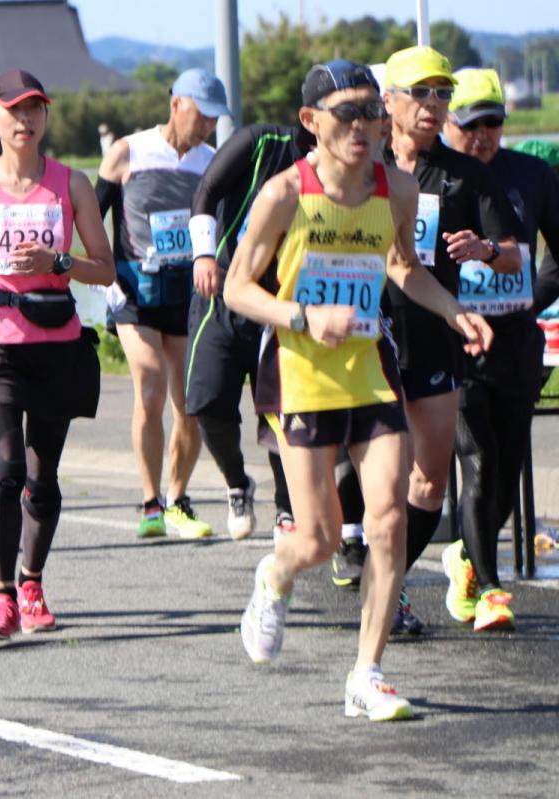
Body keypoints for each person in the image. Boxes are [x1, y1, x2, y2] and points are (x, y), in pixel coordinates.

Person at [223, 60, 492, 720]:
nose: (364, 125)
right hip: (300, 370)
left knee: (390, 518)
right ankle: (275, 575)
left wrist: (454, 310)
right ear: (312, 122)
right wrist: (305, 316)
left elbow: (403, 266)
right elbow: (237, 287)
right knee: (317, 537)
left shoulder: (396, 189)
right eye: (348, 113)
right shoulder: (285, 194)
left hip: (370, 367)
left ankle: (367, 672)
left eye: (373, 112)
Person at [0, 69, 114, 642]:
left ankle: (32, 582)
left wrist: (58, 263)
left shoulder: (72, 184)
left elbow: (105, 269)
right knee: (7, 468)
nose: (26, 120)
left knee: (42, 475)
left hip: (56, 344)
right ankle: (2, 598)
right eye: (14, 110)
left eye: (35, 109)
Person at [370, 46, 521, 630]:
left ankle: (393, 584)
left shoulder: (465, 174)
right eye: (421, 93)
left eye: (442, 95)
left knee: (429, 481)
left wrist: (483, 251)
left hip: (435, 333)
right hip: (370, 335)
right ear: (391, 100)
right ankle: (363, 565)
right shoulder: (366, 163)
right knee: (378, 475)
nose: (433, 106)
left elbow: (511, 255)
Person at [440, 68, 559, 631]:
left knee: (506, 471)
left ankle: (467, 556)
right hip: (458, 343)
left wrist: (530, 303)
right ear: (448, 124)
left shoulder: (533, 175)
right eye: (471, 125)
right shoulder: (434, 178)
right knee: (477, 461)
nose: (483, 135)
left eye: (492, 123)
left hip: (516, 342)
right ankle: (491, 587)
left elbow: (555, 254)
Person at [96, 68, 226, 539]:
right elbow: (94, 215)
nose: (208, 125)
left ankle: (178, 499)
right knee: (149, 380)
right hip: (133, 289)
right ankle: (150, 502)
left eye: (215, 119)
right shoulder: (128, 151)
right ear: (176, 105)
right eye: (202, 114)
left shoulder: (211, 162)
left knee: (189, 401)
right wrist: (103, 278)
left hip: (185, 294)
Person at [184, 121, 313, 541]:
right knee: (206, 402)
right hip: (223, 291)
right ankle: (238, 483)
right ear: (310, 118)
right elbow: (206, 190)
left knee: (280, 412)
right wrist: (203, 254)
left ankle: (286, 506)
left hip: (282, 304)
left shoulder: (343, 169)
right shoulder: (262, 143)